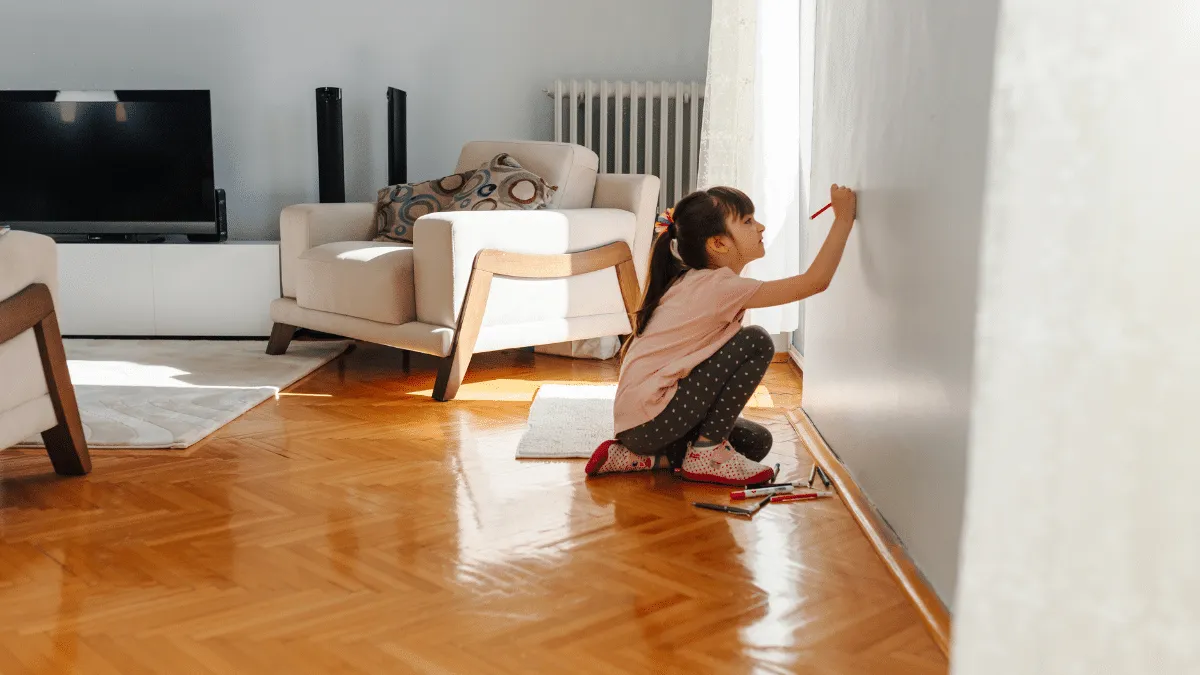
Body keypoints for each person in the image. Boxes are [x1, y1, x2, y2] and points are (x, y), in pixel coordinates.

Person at [585, 184, 857, 485]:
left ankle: (645, 458)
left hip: (641, 423)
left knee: (756, 441)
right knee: (756, 341)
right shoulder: (717, 286)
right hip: (652, 419)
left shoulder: (694, 282)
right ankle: (705, 453)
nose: (761, 226)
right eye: (748, 221)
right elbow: (813, 283)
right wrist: (843, 219)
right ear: (718, 244)